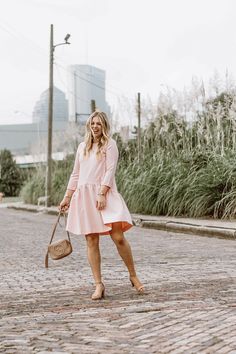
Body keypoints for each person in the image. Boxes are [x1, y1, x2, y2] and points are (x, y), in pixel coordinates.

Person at [59, 110, 144, 300]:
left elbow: (109, 170)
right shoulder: (82, 147)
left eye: (98, 124)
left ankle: (133, 276)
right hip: (84, 196)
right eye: (92, 123)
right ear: (89, 125)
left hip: (104, 195)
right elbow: (75, 174)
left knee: (118, 237)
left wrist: (102, 193)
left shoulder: (110, 144)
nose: (95, 126)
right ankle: (99, 284)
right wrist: (67, 197)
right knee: (91, 240)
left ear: (104, 126)